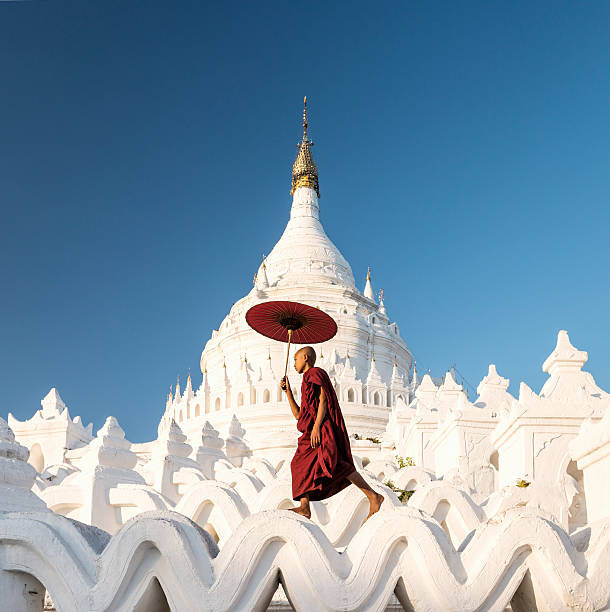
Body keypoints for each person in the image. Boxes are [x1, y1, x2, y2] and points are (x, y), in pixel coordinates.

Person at [280, 346, 384, 523]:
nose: (294, 364)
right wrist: (288, 392)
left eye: (295, 360)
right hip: (310, 431)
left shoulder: (315, 373)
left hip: (321, 430)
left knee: (333, 463)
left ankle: (373, 496)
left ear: (305, 358)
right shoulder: (305, 380)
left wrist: (317, 427)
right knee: (302, 464)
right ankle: (305, 506)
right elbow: (299, 415)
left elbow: (324, 400)